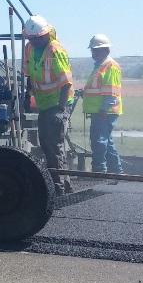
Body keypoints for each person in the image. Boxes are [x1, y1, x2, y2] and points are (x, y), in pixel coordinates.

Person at [23, 15, 74, 194]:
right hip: (44, 105)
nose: (34, 41)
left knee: (54, 145)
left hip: (58, 104)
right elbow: (29, 75)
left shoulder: (55, 50)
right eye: (31, 38)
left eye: (37, 38)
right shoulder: (29, 48)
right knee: (47, 144)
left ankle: (59, 187)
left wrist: (61, 110)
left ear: (45, 35)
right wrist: (27, 97)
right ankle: (64, 184)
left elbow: (66, 83)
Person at [82, 34, 123, 174]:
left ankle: (100, 170)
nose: (93, 53)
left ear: (106, 50)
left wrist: (104, 110)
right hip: (101, 111)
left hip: (105, 111)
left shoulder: (110, 66)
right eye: (92, 50)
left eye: (96, 50)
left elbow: (111, 91)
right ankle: (116, 171)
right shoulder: (100, 66)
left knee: (99, 141)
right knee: (107, 142)